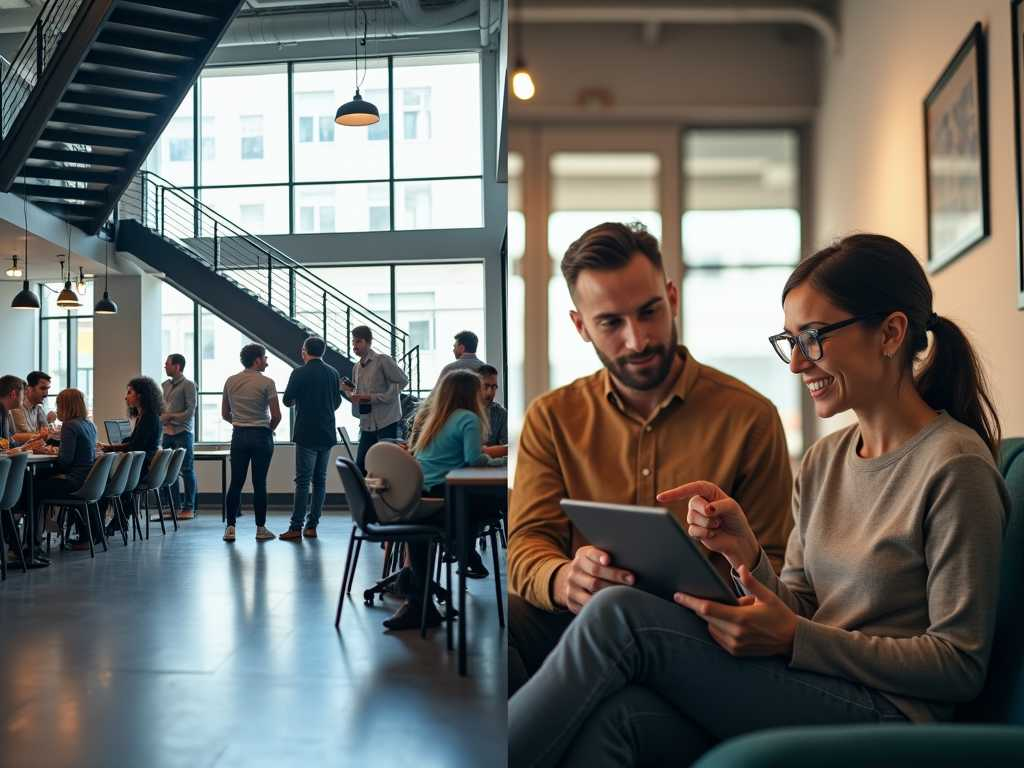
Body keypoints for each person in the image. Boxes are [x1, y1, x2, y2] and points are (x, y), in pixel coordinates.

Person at [509, 233, 1011, 767]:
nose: (796, 364)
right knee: (621, 719)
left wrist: (798, 638)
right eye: (790, 341)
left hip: (889, 713)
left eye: (813, 338)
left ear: (890, 333)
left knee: (621, 616)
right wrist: (744, 556)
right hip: (814, 680)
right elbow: (797, 604)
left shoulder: (954, 465)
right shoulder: (824, 460)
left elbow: (959, 665)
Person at [507, 222, 794, 696]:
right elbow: (527, 545)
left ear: (672, 298)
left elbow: (776, 565)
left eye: (649, 312)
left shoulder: (750, 417)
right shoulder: (551, 419)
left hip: (701, 639)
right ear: (581, 326)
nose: (637, 340)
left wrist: (740, 572)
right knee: (503, 623)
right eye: (610, 323)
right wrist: (562, 579)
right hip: (575, 627)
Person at [382, 369, 498, 631]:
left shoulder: (435, 419)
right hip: (442, 499)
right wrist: (503, 460)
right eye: (480, 389)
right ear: (469, 393)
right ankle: (464, 548)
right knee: (491, 505)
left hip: (416, 497)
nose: (485, 394)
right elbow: (474, 461)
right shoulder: (468, 418)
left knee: (422, 534)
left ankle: (419, 603)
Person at [281, 337, 341, 541]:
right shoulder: (333, 373)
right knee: (320, 481)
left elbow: (287, 400)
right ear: (323, 351)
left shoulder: (299, 373)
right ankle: (312, 526)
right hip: (326, 431)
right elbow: (337, 402)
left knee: (302, 482)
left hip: (306, 432)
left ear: (304, 351)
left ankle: (295, 527)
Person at [222, 343, 282, 542]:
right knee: (259, 483)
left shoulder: (230, 381)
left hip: (238, 435)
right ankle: (260, 529)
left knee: (236, 482)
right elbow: (277, 416)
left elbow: (224, 414)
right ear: (257, 360)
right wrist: (267, 429)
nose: (267, 361)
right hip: (261, 436)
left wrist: (240, 423)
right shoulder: (267, 382)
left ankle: (230, 528)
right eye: (265, 357)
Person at [32, 389, 97, 553]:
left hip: (72, 481)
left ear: (65, 406)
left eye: (58, 405)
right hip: (87, 480)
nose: (57, 408)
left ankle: (31, 542)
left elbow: (64, 463)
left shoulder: (70, 425)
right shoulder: (89, 424)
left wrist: (46, 452)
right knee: (38, 481)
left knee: (31, 487)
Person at [100, 377, 163, 535]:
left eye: (130, 392)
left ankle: (113, 523)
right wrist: (113, 447)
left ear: (140, 395)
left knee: (107, 480)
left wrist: (110, 448)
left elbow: (136, 446)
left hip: (141, 466)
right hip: (140, 464)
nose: (125, 396)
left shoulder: (149, 418)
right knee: (112, 477)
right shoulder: (145, 416)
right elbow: (134, 442)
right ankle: (117, 522)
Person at [343, 326, 408, 474]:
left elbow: (402, 381)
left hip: (386, 422)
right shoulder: (356, 367)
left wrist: (377, 398)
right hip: (366, 423)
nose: (354, 346)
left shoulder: (382, 360)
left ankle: (389, 497)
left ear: (369, 342)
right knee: (361, 466)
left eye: (358, 342)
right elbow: (358, 393)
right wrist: (349, 393)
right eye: (353, 342)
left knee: (387, 468)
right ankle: (366, 497)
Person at [161, 354, 197, 519]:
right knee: (169, 471)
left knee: (186, 470)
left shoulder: (189, 385)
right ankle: (174, 506)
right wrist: (164, 418)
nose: (165, 366)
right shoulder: (164, 385)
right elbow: (162, 410)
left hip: (183, 433)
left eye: (167, 364)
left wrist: (170, 417)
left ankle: (189, 507)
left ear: (177, 366)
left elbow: (189, 413)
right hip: (167, 434)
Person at [11, 371, 56, 443]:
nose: (46, 393)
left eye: (48, 389)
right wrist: (44, 433)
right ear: (29, 389)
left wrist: (48, 423)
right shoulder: (17, 406)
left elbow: (46, 431)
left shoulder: (38, 408)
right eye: (43, 388)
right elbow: (18, 436)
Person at [478, 364, 508, 453]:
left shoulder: (501, 413)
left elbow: (506, 447)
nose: (490, 392)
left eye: (494, 387)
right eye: (486, 386)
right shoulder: (464, 411)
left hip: (492, 464)